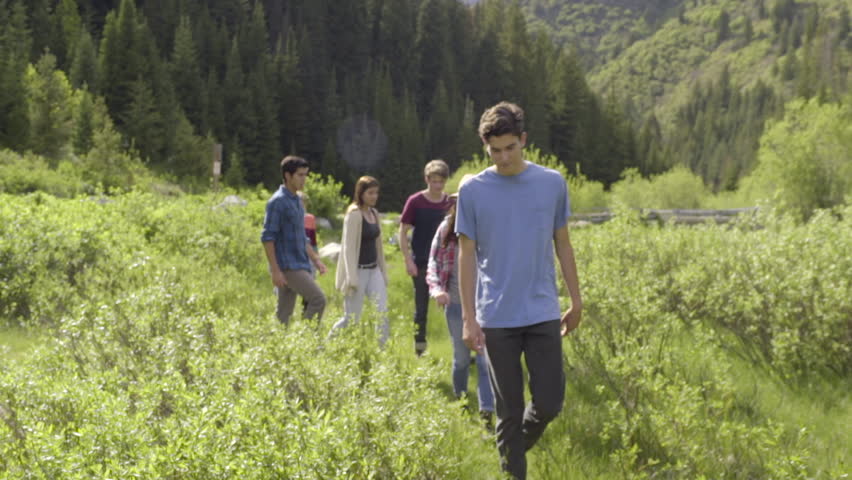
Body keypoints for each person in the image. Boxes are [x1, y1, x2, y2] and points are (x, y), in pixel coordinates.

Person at [456, 102, 583, 480]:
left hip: (543, 310)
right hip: (496, 316)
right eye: (495, 150)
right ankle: (513, 465)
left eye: (510, 147)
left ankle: (509, 448)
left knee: (549, 402)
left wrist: (576, 300)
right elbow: (465, 255)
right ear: (485, 147)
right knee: (508, 409)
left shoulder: (551, 182)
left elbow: (563, 243)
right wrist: (468, 318)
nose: (504, 156)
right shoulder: (473, 189)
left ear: (523, 140)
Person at [426, 174, 494, 426]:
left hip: (486, 306)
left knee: (485, 360)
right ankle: (461, 401)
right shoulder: (446, 229)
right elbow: (432, 264)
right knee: (462, 359)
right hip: (455, 304)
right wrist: (437, 291)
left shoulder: (489, 225)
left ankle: (487, 412)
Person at [261, 155, 328, 325]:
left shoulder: (297, 201)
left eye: (306, 174)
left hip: (300, 262)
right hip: (288, 266)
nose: (304, 179)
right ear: (287, 176)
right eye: (300, 175)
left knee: (283, 315)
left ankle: (280, 348)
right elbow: (268, 237)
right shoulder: (277, 202)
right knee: (318, 300)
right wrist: (275, 271)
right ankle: (307, 341)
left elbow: (301, 237)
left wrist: (316, 260)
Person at [399, 159, 453, 356]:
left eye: (441, 182)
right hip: (421, 262)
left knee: (454, 307)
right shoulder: (415, 201)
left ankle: (460, 348)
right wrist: (408, 260)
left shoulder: (449, 202)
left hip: (446, 263)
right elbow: (403, 231)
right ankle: (420, 349)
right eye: (434, 181)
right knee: (421, 309)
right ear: (426, 179)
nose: (437, 186)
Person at [330, 176, 390, 345]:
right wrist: (351, 277)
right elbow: (348, 248)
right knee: (351, 318)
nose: (374, 196)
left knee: (382, 312)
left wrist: (383, 272)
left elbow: (379, 246)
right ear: (361, 193)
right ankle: (328, 343)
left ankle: (382, 351)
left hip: (373, 270)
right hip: (357, 270)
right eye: (370, 193)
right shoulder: (354, 214)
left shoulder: (374, 214)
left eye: (376, 193)